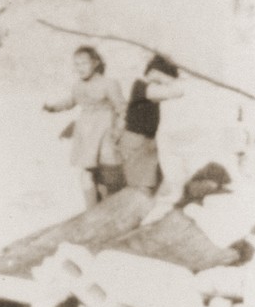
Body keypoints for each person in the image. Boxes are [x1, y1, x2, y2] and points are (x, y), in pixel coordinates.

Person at [43, 44, 125, 208]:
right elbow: (71, 101)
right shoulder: (77, 85)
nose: (80, 68)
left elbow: (122, 109)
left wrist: (118, 131)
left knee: (107, 173)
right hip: (86, 133)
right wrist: (53, 108)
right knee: (86, 172)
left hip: (105, 132)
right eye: (77, 64)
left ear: (95, 63)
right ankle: (91, 210)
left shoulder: (109, 83)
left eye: (84, 63)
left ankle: (110, 207)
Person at [115, 54, 185, 193]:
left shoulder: (149, 88)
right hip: (135, 142)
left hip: (147, 143)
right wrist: (166, 79)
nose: (163, 83)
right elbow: (176, 92)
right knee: (140, 188)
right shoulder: (140, 86)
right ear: (152, 73)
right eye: (161, 79)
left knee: (149, 187)